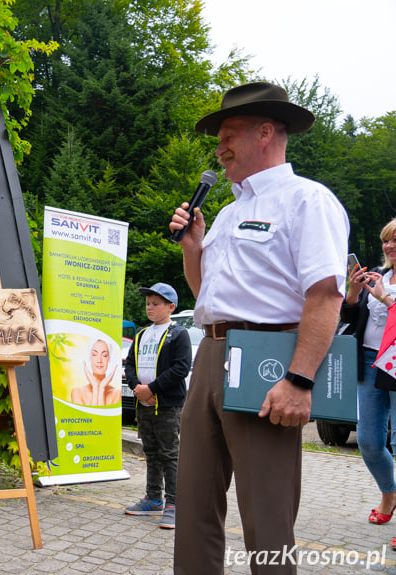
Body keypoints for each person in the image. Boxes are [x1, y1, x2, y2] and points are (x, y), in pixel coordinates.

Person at [169, 82, 349, 574]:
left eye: (228, 134)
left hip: (266, 361)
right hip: (210, 354)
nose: (220, 147)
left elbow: (325, 295)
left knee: (266, 516)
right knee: (194, 506)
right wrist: (193, 248)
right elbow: (206, 295)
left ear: (265, 132)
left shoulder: (307, 201)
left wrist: (299, 380)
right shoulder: (226, 213)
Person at [123, 282, 191, 529]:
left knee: (169, 454)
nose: (149, 308)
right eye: (148, 304)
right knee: (150, 452)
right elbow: (130, 365)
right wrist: (138, 390)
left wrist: (151, 389)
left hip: (167, 405)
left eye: (155, 304)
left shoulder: (178, 333)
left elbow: (181, 368)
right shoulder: (142, 334)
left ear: (170, 307)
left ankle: (174, 504)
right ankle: (153, 499)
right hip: (144, 403)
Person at [341, 219, 396, 526]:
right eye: (386, 240)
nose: (390, 246)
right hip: (368, 361)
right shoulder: (379, 276)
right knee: (369, 441)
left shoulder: (384, 288)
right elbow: (350, 316)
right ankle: (390, 491)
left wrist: (385, 298)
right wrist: (353, 290)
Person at [70, 338, 120, 405]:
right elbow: (90, 415)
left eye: (104, 355)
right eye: (94, 354)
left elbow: (102, 415)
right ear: (90, 357)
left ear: (109, 358)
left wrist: (101, 388)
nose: (99, 360)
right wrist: (95, 388)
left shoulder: (116, 394)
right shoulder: (77, 392)